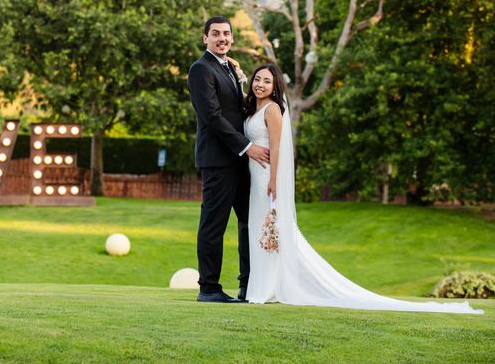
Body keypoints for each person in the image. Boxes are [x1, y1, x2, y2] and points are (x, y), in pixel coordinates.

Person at [244, 64, 483, 314]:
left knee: (269, 232)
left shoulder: (272, 109)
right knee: (262, 232)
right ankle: (263, 286)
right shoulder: (254, 107)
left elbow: (277, 147)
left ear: (275, 87)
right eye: (257, 79)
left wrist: (273, 180)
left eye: (267, 81)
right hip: (254, 178)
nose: (260, 84)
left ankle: (268, 288)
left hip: (266, 178)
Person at [187, 16, 269, 303]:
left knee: (249, 222)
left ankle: (248, 285)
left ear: (232, 38)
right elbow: (212, 117)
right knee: (214, 224)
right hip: (218, 161)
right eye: (216, 33)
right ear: (205, 38)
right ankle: (208, 288)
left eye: (226, 33)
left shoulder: (230, 68)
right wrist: (247, 147)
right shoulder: (200, 70)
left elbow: (237, 110)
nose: (222, 38)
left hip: (239, 162)